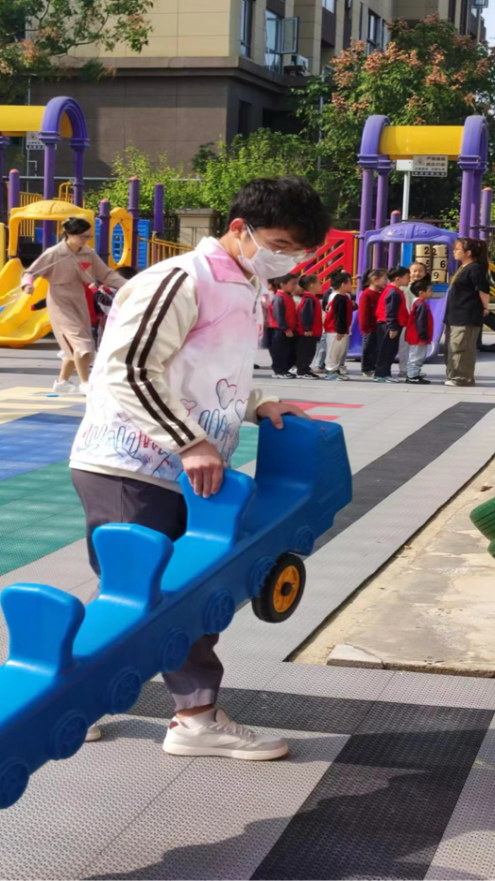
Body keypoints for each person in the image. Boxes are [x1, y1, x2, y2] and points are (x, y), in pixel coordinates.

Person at [70, 176, 330, 757]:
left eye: (298, 251)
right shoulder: (182, 278)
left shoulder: (245, 284)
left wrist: (259, 402)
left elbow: (210, 369)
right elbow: (128, 369)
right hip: (132, 462)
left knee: (162, 588)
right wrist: (189, 441)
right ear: (240, 229)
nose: (287, 260)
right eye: (280, 245)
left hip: (182, 467)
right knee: (152, 590)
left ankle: (84, 697)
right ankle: (191, 717)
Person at [22, 217, 126, 395]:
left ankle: (62, 382)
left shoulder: (88, 253)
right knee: (81, 341)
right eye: (82, 236)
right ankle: (86, 383)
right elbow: (31, 272)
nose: (85, 240)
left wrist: (130, 284)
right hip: (59, 300)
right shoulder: (54, 253)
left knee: (76, 342)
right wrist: (27, 285)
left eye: (89, 236)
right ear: (69, 234)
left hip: (80, 297)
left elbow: (106, 274)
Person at [445, 237, 490, 387]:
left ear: (468, 252)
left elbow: (483, 290)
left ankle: (462, 378)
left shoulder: (475, 268)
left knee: (462, 348)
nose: (454, 252)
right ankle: (454, 375)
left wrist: (484, 307)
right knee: (453, 347)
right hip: (454, 315)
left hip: (466, 316)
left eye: (457, 249)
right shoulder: (463, 267)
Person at [374, 265, 410, 383]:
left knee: (390, 350)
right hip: (388, 325)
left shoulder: (394, 291)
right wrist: (393, 327)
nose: (409, 280)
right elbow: (390, 312)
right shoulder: (393, 292)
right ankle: (381, 374)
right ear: (398, 279)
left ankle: (385, 373)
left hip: (391, 324)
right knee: (386, 350)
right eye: (407, 278)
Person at [324, 270, 354, 381]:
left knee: (338, 352)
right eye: (350, 283)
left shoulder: (340, 297)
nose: (351, 285)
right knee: (334, 352)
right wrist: (340, 331)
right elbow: (339, 316)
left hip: (340, 330)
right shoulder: (338, 298)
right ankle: (330, 371)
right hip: (336, 330)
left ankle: (335, 370)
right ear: (343, 284)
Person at [399, 261, 428, 377]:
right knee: (404, 346)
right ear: (409, 273)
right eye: (414, 271)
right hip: (406, 321)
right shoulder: (404, 288)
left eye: (420, 271)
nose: (417, 273)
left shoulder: (423, 288)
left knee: (414, 347)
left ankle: (412, 369)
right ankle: (404, 369)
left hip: (416, 321)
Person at [268, 272, 299, 379]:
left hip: (288, 329)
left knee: (287, 351)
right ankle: (279, 371)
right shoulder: (278, 298)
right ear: (282, 285)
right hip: (279, 330)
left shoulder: (287, 296)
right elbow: (278, 315)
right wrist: (286, 328)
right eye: (293, 284)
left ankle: (285, 369)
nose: (295, 286)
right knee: (279, 351)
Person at [358, 268, 388, 377]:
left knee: (377, 348)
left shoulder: (381, 293)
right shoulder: (366, 294)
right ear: (375, 279)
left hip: (379, 327)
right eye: (384, 279)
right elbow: (363, 313)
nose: (386, 282)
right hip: (370, 327)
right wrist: (364, 328)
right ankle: (367, 369)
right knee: (368, 348)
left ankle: (374, 367)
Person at [405, 275, 433, 385]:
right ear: (421, 293)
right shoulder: (421, 305)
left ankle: (414, 373)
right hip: (418, 337)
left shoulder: (418, 303)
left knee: (415, 355)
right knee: (416, 357)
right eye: (429, 291)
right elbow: (421, 322)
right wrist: (423, 336)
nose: (431, 293)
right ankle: (412, 376)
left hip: (416, 336)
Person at [295, 274, 323, 379]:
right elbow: (306, 314)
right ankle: (303, 371)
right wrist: (307, 328)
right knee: (306, 351)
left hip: (311, 331)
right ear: (312, 285)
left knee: (309, 351)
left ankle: (305, 368)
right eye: (319, 283)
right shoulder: (309, 299)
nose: (321, 285)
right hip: (307, 332)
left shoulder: (311, 298)